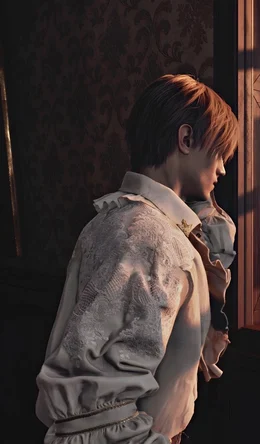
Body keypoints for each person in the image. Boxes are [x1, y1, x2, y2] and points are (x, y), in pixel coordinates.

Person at [35, 74, 239, 444]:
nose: (223, 168)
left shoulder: (115, 220)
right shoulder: (152, 239)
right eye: (220, 152)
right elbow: (97, 408)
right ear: (186, 139)